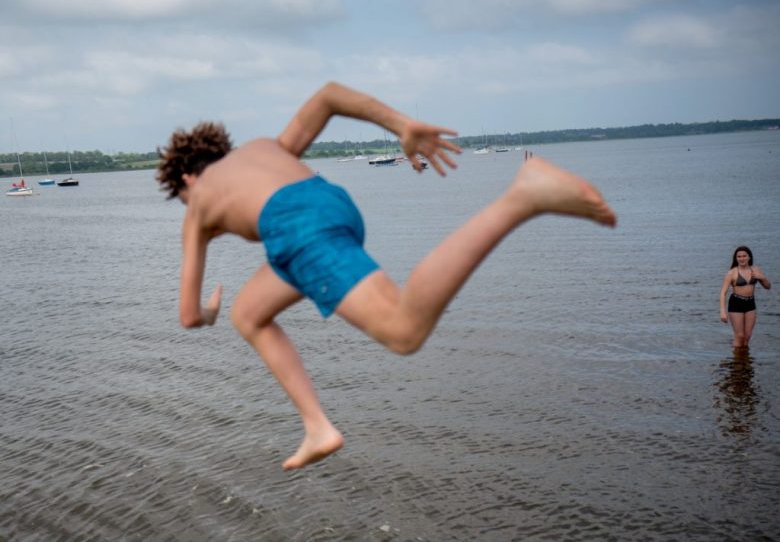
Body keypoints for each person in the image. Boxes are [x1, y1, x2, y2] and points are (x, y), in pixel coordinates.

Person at [156, 81, 617, 470]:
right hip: (331, 203)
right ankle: (316, 427)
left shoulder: (196, 206)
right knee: (250, 313)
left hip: (296, 227)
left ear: (187, 180)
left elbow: (186, 316)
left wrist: (208, 311)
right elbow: (329, 96)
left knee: (403, 331)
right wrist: (403, 125)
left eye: (180, 197)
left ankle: (522, 198)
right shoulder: (263, 149)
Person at [719, 245, 771, 351]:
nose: (742, 258)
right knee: (740, 335)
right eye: (739, 256)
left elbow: (768, 287)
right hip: (736, 303)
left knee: (747, 336)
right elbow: (723, 293)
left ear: (749, 257)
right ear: (736, 258)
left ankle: (745, 359)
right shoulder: (731, 273)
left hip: (750, 304)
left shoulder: (755, 270)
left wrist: (762, 277)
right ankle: (737, 362)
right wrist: (723, 311)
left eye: (744, 256)